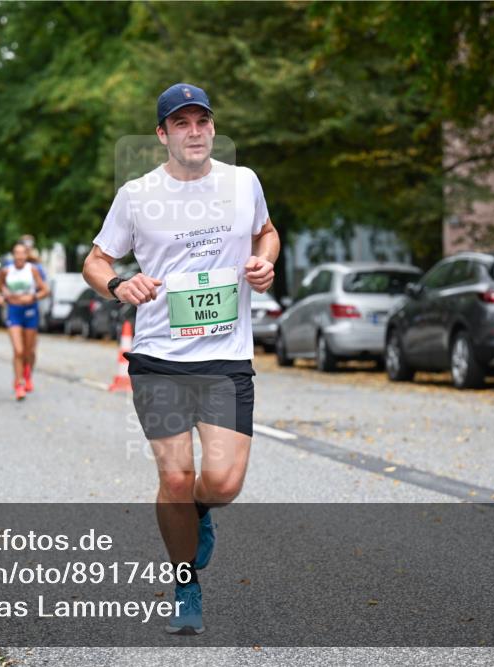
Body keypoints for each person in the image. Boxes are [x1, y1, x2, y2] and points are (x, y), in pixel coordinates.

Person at [83, 83, 280, 635]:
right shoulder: (137, 195)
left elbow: (266, 233)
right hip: (159, 359)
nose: (194, 132)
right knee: (175, 478)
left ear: (212, 128)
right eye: (181, 123)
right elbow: (96, 261)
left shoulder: (244, 183)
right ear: (162, 134)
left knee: (221, 484)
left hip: (225, 358)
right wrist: (119, 284)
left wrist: (264, 262)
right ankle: (185, 582)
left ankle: (199, 513)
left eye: (202, 121)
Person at [0, 242, 50, 400]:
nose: (19, 256)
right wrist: (1, 296)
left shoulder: (32, 270)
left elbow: (45, 290)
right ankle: (19, 383)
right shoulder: (6, 271)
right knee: (18, 350)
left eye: (22, 253)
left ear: (26, 255)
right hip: (14, 311)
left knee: (29, 350)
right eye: (16, 253)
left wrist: (33, 297)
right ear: (13, 255)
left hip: (30, 311)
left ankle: (27, 375)